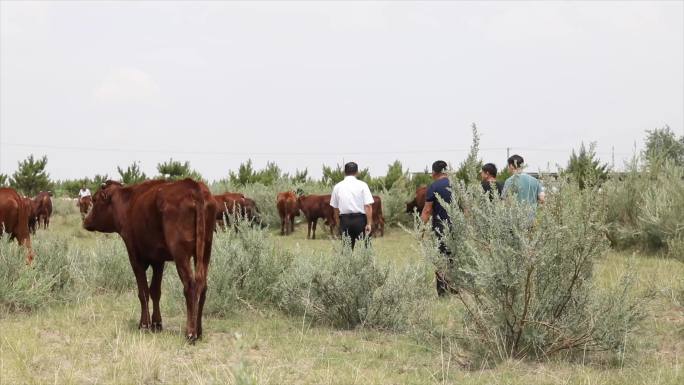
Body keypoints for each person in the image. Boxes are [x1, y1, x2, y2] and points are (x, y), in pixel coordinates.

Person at [420, 160, 455, 296]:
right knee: (454, 257)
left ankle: (442, 290)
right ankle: (454, 286)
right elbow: (466, 208)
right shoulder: (456, 185)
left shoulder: (433, 186)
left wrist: (421, 229)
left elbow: (427, 210)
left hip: (440, 227)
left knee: (441, 257)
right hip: (456, 226)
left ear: (434, 173)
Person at [330, 162, 374, 250]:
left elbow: (335, 208)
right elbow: (368, 206)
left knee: (347, 250)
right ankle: (367, 263)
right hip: (360, 220)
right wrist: (369, 223)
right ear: (357, 172)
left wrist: (339, 222)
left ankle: (347, 264)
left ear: (344, 172)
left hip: (345, 221)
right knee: (366, 248)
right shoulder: (363, 185)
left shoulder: (337, 187)